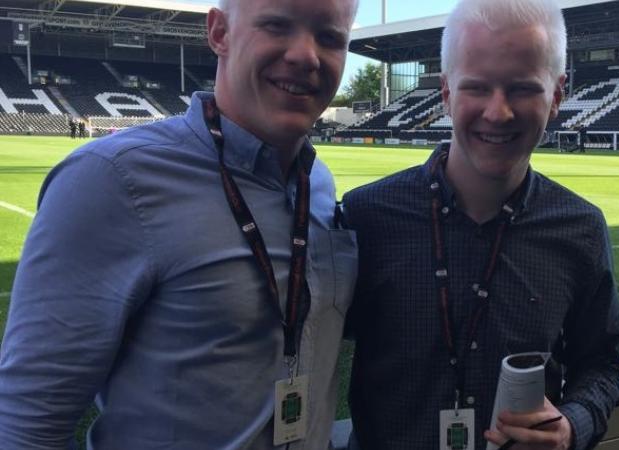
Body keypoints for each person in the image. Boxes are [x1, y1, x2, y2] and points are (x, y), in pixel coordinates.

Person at [0, 0, 359, 448]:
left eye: (330, 38)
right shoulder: (112, 178)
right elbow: (28, 426)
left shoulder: (317, 185)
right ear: (219, 33)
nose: (306, 55)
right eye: (277, 25)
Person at [342, 0, 619, 449]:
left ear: (557, 95)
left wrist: (573, 425)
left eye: (522, 89)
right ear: (447, 92)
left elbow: (602, 363)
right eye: (477, 87)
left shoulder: (581, 230)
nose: (499, 112)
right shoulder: (365, 217)